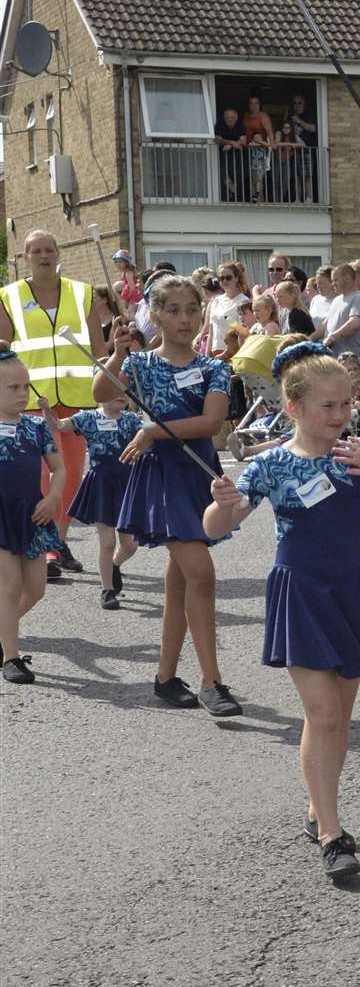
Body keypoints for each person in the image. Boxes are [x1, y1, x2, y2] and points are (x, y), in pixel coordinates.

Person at [203, 342, 360, 879]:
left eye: (346, 404)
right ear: (294, 409)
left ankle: (318, 808)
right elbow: (214, 527)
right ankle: (332, 834)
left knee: (341, 717)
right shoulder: (270, 464)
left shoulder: (355, 450)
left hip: (352, 587)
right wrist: (223, 503)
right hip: (302, 594)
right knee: (323, 714)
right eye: (328, 407)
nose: (340, 415)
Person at [99, 276, 242, 717]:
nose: (184, 319)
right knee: (201, 574)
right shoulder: (140, 364)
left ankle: (164, 677)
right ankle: (211, 682)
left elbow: (210, 423)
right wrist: (120, 354)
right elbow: (103, 394)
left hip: (198, 477)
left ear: (202, 314)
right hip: (162, 480)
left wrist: (151, 430)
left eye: (191, 310)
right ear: (156, 315)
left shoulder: (217, 367)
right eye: (173, 310)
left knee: (182, 578)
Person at [0, 228, 107, 581]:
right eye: (36, 251)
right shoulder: (8, 296)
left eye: (49, 249)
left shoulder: (83, 293)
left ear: (58, 252)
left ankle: (58, 542)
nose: (44, 256)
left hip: (77, 398)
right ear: (25, 256)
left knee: (73, 474)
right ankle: (45, 549)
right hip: (31, 399)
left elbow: (98, 348)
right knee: (43, 474)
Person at [0, 354, 65, 683]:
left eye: (25, 385)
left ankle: (3, 629)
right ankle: (10, 656)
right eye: (13, 387)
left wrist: (53, 498)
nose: (23, 393)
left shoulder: (37, 426)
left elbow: (59, 469)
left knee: (36, 588)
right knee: (9, 585)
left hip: (33, 516)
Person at [56, 393, 142, 609]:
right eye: (112, 391)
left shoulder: (132, 420)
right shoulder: (88, 417)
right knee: (107, 542)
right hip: (101, 484)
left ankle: (114, 565)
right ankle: (107, 590)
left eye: (123, 390)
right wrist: (46, 408)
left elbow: (152, 435)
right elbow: (58, 425)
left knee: (130, 545)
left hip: (127, 484)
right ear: (98, 394)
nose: (121, 395)